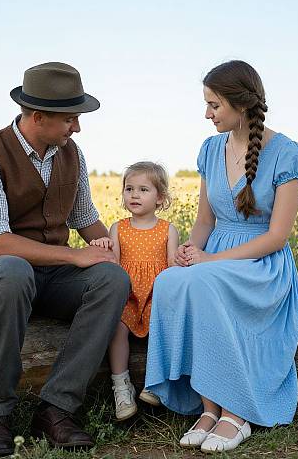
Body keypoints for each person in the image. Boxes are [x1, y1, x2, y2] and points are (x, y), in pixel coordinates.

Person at [0, 62, 130, 456]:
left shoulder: (72, 154)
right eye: (71, 119)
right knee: (12, 269)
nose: (77, 128)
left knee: (113, 280)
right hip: (1, 274)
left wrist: (120, 255)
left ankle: (56, 409)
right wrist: (75, 256)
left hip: (53, 277)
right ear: (38, 117)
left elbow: (86, 219)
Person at [144, 60, 298, 453]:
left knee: (202, 280)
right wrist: (190, 251)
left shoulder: (287, 153)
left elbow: (277, 237)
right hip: (213, 260)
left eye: (214, 105)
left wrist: (211, 262)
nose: (207, 113)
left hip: (260, 266)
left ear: (241, 104)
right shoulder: (210, 149)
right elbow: (205, 220)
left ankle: (236, 411)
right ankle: (208, 406)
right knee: (170, 279)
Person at [91, 162, 179, 420]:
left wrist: (184, 260)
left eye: (143, 189)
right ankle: (121, 386)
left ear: (160, 197)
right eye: (129, 189)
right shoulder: (118, 228)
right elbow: (114, 266)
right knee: (117, 328)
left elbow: (172, 265)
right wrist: (103, 245)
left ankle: (156, 382)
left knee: (161, 326)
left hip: (155, 294)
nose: (134, 195)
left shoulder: (167, 229)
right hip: (127, 295)